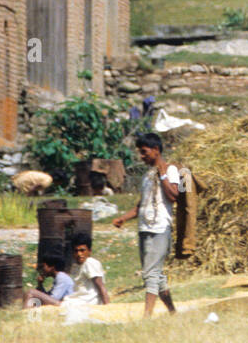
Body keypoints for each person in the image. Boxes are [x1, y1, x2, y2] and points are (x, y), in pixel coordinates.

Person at [113, 132, 180, 317]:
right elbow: (141, 205)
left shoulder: (171, 170)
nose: (141, 157)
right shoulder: (146, 176)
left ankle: (146, 317)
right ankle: (173, 312)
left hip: (160, 229)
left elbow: (174, 196)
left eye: (144, 152)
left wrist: (163, 176)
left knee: (150, 273)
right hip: (144, 229)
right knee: (156, 275)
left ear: (156, 150)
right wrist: (124, 218)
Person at [65, 239, 109, 306]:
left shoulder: (90, 262)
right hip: (77, 300)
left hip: (87, 302)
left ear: (89, 251)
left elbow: (101, 286)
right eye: (76, 251)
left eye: (82, 250)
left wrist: (107, 307)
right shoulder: (76, 266)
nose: (79, 254)